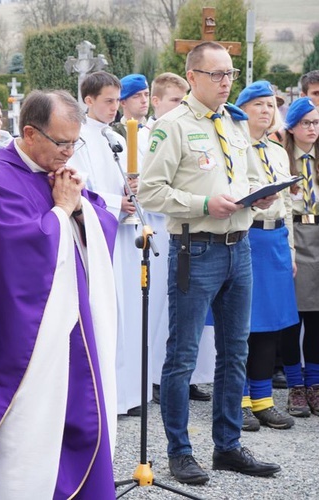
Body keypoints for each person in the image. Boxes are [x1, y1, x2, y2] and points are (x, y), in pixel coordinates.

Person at [0, 89, 118, 499]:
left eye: (74, 143)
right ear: (29, 132)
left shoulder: (56, 174)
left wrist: (79, 210)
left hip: (64, 334)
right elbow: (21, 258)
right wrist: (61, 211)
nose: (69, 153)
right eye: (61, 142)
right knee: (25, 441)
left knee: (74, 418)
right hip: (15, 344)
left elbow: (99, 221)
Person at [138, 41, 281, 485]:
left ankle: (228, 446)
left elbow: (245, 180)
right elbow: (150, 192)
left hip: (240, 247)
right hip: (195, 249)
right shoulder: (172, 126)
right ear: (193, 77)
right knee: (182, 357)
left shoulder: (233, 125)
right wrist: (202, 202)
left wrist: (264, 194)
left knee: (234, 352)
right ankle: (180, 452)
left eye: (230, 74)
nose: (225, 83)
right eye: (217, 75)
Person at [68, 70, 145, 417]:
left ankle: (128, 392)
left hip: (124, 235)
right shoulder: (78, 139)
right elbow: (82, 187)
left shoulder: (116, 137)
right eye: (108, 101)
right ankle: (107, 393)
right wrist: (117, 204)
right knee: (106, 309)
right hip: (98, 230)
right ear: (88, 100)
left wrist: (132, 192)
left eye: (117, 100)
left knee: (126, 309)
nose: (115, 108)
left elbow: (124, 178)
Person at [148, 71, 216, 405]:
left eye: (183, 98)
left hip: (192, 229)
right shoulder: (156, 132)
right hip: (165, 229)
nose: (181, 105)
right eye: (175, 100)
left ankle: (191, 376)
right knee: (166, 312)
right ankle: (162, 377)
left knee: (193, 318)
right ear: (155, 101)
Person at [235, 81, 298, 432]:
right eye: (258, 104)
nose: (266, 110)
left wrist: (289, 249)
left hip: (274, 239)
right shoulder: (235, 146)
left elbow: (287, 203)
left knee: (271, 325)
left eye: (272, 105)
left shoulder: (276, 151)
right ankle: (239, 399)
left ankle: (263, 400)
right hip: (248, 235)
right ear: (242, 109)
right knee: (243, 325)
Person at [282, 97, 319, 418]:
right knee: (293, 317)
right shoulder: (283, 159)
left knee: (318, 317)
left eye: (316, 123)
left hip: (318, 234)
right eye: (306, 123)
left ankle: (315, 385)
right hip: (294, 235)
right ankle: (295, 385)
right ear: (292, 127)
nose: (312, 129)